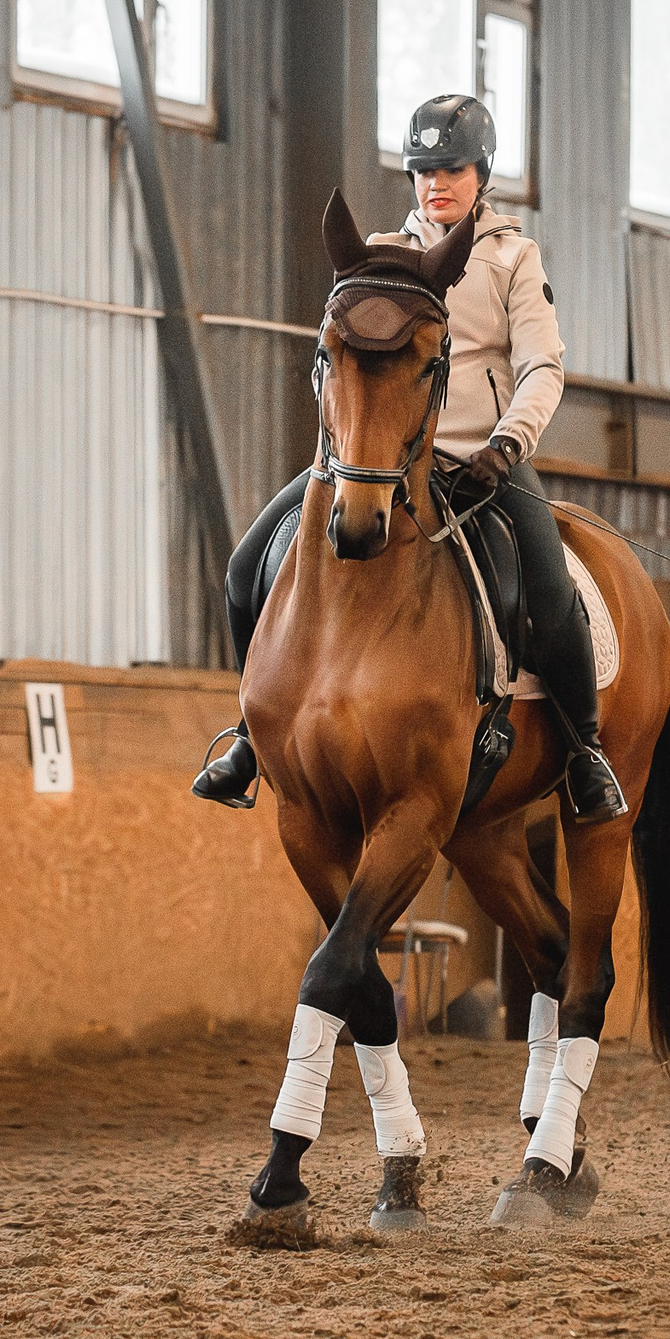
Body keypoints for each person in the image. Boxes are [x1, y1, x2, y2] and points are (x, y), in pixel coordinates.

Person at [191, 93, 629, 823]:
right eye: (424, 170)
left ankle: (585, 753)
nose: (436, 183)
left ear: (481, 172)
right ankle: (250, 735)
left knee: (550, 593)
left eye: (452, 168)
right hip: (374, 462)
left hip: (480, 463)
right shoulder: (379, 256)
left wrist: (508, 443)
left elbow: (542, 366)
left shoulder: (513, 258)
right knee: (245, 568)